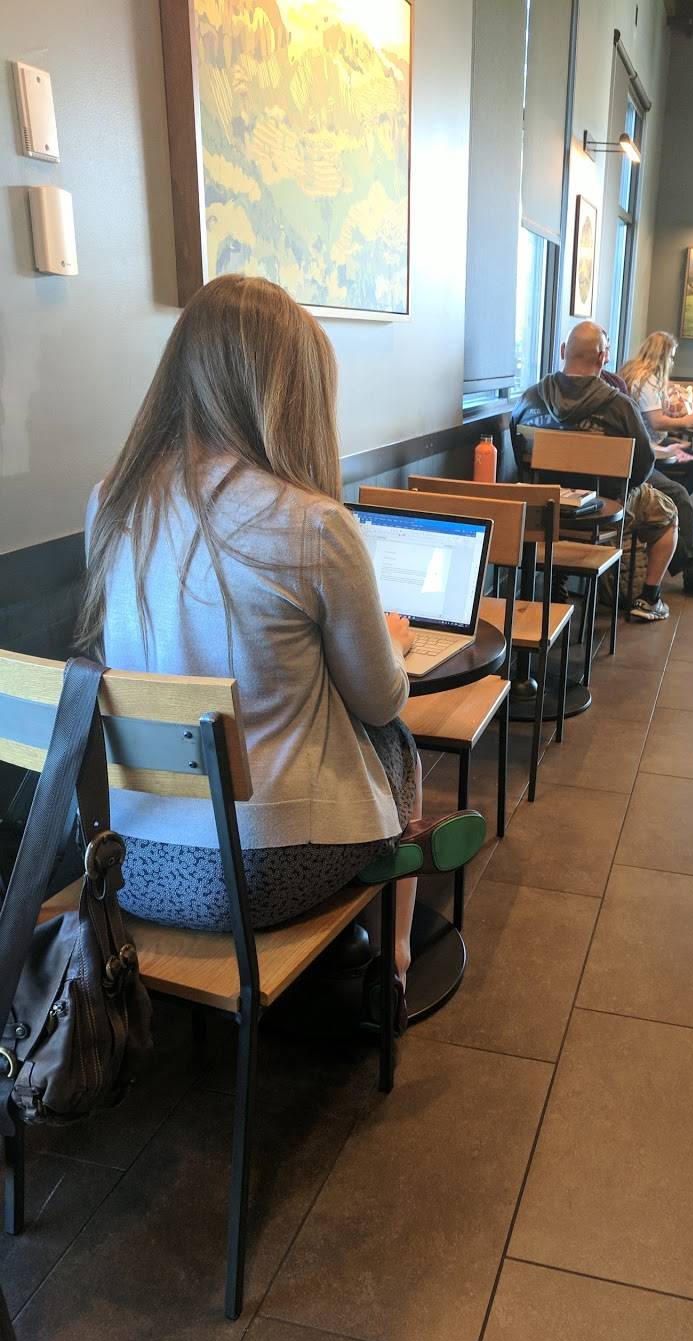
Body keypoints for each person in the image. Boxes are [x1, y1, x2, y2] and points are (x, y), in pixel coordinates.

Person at [78, 275, 422, 1009]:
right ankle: (393, 960)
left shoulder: (110, 503)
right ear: (288, 391)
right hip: (263, 871)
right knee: (395, 743)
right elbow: (379, 699)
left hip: (124, 861)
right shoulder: (315, 524)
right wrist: (392, 648)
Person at [511, 322, 693, 620]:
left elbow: (519, 454)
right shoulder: (619, 406)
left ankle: (558, 574)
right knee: (669, 510)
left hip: (546, 505)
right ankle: (650, 599)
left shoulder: (528, 399)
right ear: (603, 357)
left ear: (563, 351)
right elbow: (643, 464)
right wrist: (618, 489)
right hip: (604, 503)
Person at [619, 331, 693, 461]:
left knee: (688, 451)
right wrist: (686, 421)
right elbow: (657, 422)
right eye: (671, 357)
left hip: (635, 440)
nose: (672, 362)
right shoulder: (647, 381)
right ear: (662, 357)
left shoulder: (631, 372)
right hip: (648, 444)